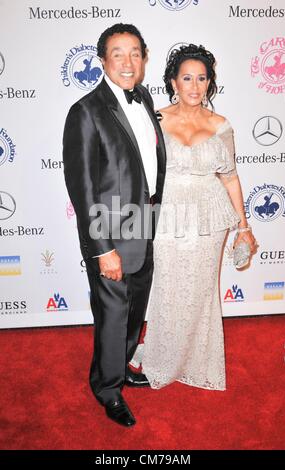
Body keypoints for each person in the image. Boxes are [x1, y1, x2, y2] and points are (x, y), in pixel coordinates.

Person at [63, 23, 166, 427]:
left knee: (134, 310)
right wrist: (102, 248)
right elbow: (83, 188)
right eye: (118, 53)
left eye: (135, 53)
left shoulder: (143, 97)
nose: (128, 61)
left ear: (144, 58)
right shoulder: (85, 111)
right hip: (109, 233)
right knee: (111, 315)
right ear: (103, 60)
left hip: (146, 225)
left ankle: (121, 367)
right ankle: (107, 388)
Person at [139, 44, 257, 391]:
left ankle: (196, 359)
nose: (194, 85)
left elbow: (231, 177)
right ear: (173, 82)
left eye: (201, 78)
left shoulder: (221, 125)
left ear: (210, 83)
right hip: (169, 214)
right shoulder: (155, 120)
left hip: (209, 215)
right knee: (169, 287)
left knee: (201, 290)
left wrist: (244, 227)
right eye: (186, 78)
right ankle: (163, 356)